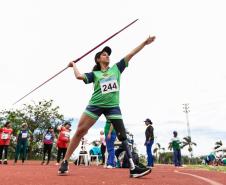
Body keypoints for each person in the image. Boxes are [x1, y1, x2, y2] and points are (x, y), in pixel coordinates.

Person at [58, 35, 155, 178]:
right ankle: (65, 161)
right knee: (80, 131)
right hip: (95, 105)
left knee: (122, 136)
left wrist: (144, 43)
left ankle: (133, 168)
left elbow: (131, 54)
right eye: (104, 54)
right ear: (98, 59)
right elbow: (79, 76)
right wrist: (73, 65)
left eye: (108, 54)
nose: (107, 56)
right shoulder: (95, 74)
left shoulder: (116, 68)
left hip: (113, 106)